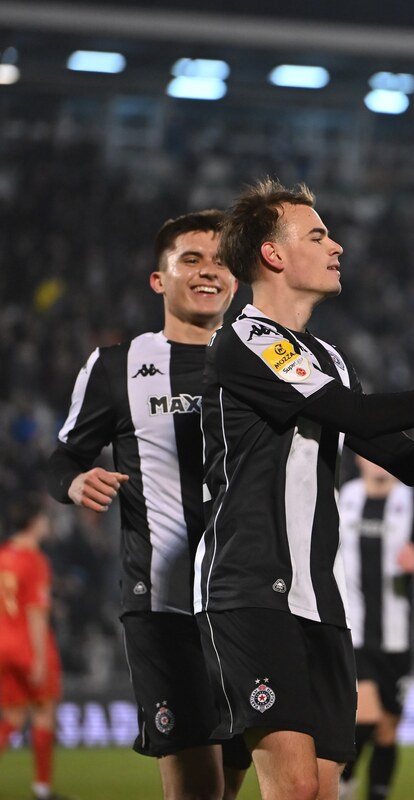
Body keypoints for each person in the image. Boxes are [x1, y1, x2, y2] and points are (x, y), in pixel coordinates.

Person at [198, 178, 414, 800]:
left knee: (325, 786)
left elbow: (404, 460)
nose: (336, 246)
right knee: (296, 788)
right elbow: (362, 419)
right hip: (251, 586)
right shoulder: (246, 339)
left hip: (321, 600)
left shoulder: (327, 358)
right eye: (317, 235)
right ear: (274, 256)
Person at [47, 209, 250, 800]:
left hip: (249, 597)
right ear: (159, 279)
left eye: (221, 262)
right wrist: (74, 483)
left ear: (237, 281)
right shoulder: (118, 367)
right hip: (163, 602)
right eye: (191, 259)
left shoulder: (265, 363)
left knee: (237, 784)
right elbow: (62, 458)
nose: (209, 271)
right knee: (195, 792)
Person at [336, 455, 414, 800]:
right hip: (352, 631)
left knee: (388, 729)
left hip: (396, 635)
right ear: (359, 458)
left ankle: (372, 792)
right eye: (370, 453)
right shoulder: (341, 498)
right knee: (368, 716)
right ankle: (343, 783)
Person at [0, 494, 70, 800]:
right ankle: (42, 789)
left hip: (3, 644)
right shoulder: (35, 560)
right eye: (43, 519)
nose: (46, 524)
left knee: (13, 718)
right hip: (29, 645)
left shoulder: (3, 556)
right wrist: (40, 658)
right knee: (44, 714)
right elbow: (37, 612)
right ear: (33, 523)